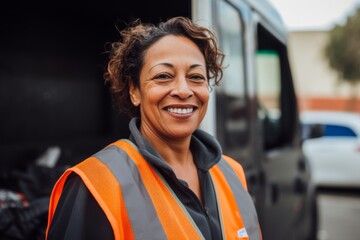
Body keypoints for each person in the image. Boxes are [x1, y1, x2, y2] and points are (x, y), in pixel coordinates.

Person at [46, 16, 262, 240]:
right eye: (163, 76)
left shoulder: (232, 173)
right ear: (134, 91)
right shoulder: (95, 186)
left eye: (196, 77)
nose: (183, 90)